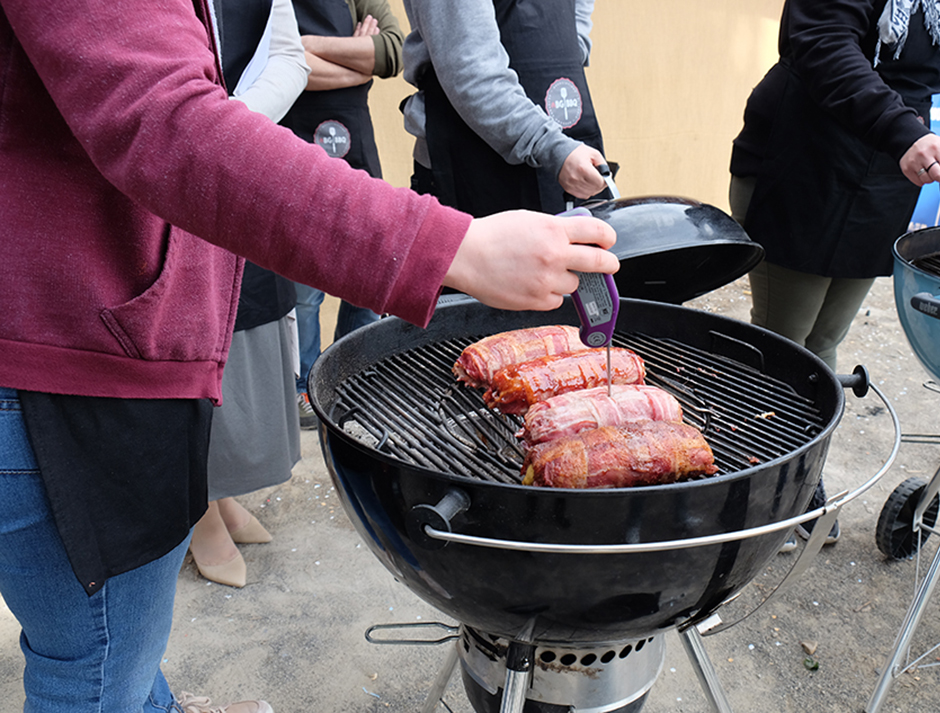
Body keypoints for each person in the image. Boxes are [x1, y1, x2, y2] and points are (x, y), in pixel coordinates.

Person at [0, 0, 619, 711]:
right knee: (96, 668)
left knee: (102, 649)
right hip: (65, 376)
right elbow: (167, 119)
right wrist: (449, 247)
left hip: (79, 354)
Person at [728, 0, 940, 550]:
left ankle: (798, 474)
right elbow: (824, 43)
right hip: (803, 158)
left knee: (825, 338)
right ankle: (755, 486)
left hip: (887, 173)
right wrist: (901, 129)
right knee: (781, 341)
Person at [186, 0, 309, 591]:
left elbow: (288, 54)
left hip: (241, 159)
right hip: (172, 172)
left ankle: (225, 490)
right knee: (193, 337)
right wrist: (194, 131)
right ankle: (197, 509)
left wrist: (226, 126)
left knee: (251, 320)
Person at [281, 0, 404, 429]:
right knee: (303, 287)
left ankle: (351, 381)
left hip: (357, 147)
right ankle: (304, 388)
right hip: (293, 143)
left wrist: (309, 45)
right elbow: (281, 64)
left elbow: (392, 51)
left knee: (367, 280)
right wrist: (356, 60)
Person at [399, 0, 611, 218]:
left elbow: (575, 33)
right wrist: (550, 146)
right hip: (474, 167)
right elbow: (471, 72)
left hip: (568, 153)